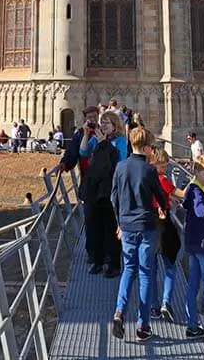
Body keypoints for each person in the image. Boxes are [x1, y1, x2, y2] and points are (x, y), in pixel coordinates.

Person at [111, 126, 167, 342]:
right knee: (145, 274)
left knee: (128, 270)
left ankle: (119, 312)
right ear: (145, 147)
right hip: (146, 226)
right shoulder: (150, 170)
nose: (153, 151)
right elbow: (159, 194)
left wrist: (119, 223)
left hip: (126, 225)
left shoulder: (120, 167)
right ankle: (142, 326)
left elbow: (114, 198)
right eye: (151, 147)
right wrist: (162, 208)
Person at [81, 112, 122, 277]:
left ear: (115, 125)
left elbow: (119, 163)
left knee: (110, 227)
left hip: (109, 189)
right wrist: (86, 134)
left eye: (107, 123)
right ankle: (97, 260)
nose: (104, 125)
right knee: (94, 226)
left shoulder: (120, 141)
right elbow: (83, 152)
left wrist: (105, 144)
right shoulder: (96, 139)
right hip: (94, 189)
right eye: (102, 122)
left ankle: (113, 264)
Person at [183, 154, 204, 339]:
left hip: (193, 242)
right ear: (196, 172)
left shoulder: (193, 187)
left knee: (193, 285)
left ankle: (192, 325)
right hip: (203, 243)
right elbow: (198, 208)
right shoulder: (197, 190)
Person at [60, 104, 100, 254]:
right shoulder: (80, 134)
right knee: (89, 220)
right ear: (84, 119)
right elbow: (72, 152)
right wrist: (65, 163)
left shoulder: (103, 131)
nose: (92, 120)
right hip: (88, 183)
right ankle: (92, 253)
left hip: (105, 184)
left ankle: (106, 254)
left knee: (105, 219)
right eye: (89, 118)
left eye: (94, 117)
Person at [150, 148, 183, 323]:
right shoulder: (162, 180)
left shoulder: (146, 179)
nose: (165, 167)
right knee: (170, 266)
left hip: (149, 226)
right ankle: (166, 303)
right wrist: (196, 183)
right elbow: (181, 193)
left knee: (152, 268)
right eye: (163, 164)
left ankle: (154, 306)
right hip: (163, 225)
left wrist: (168, 199)